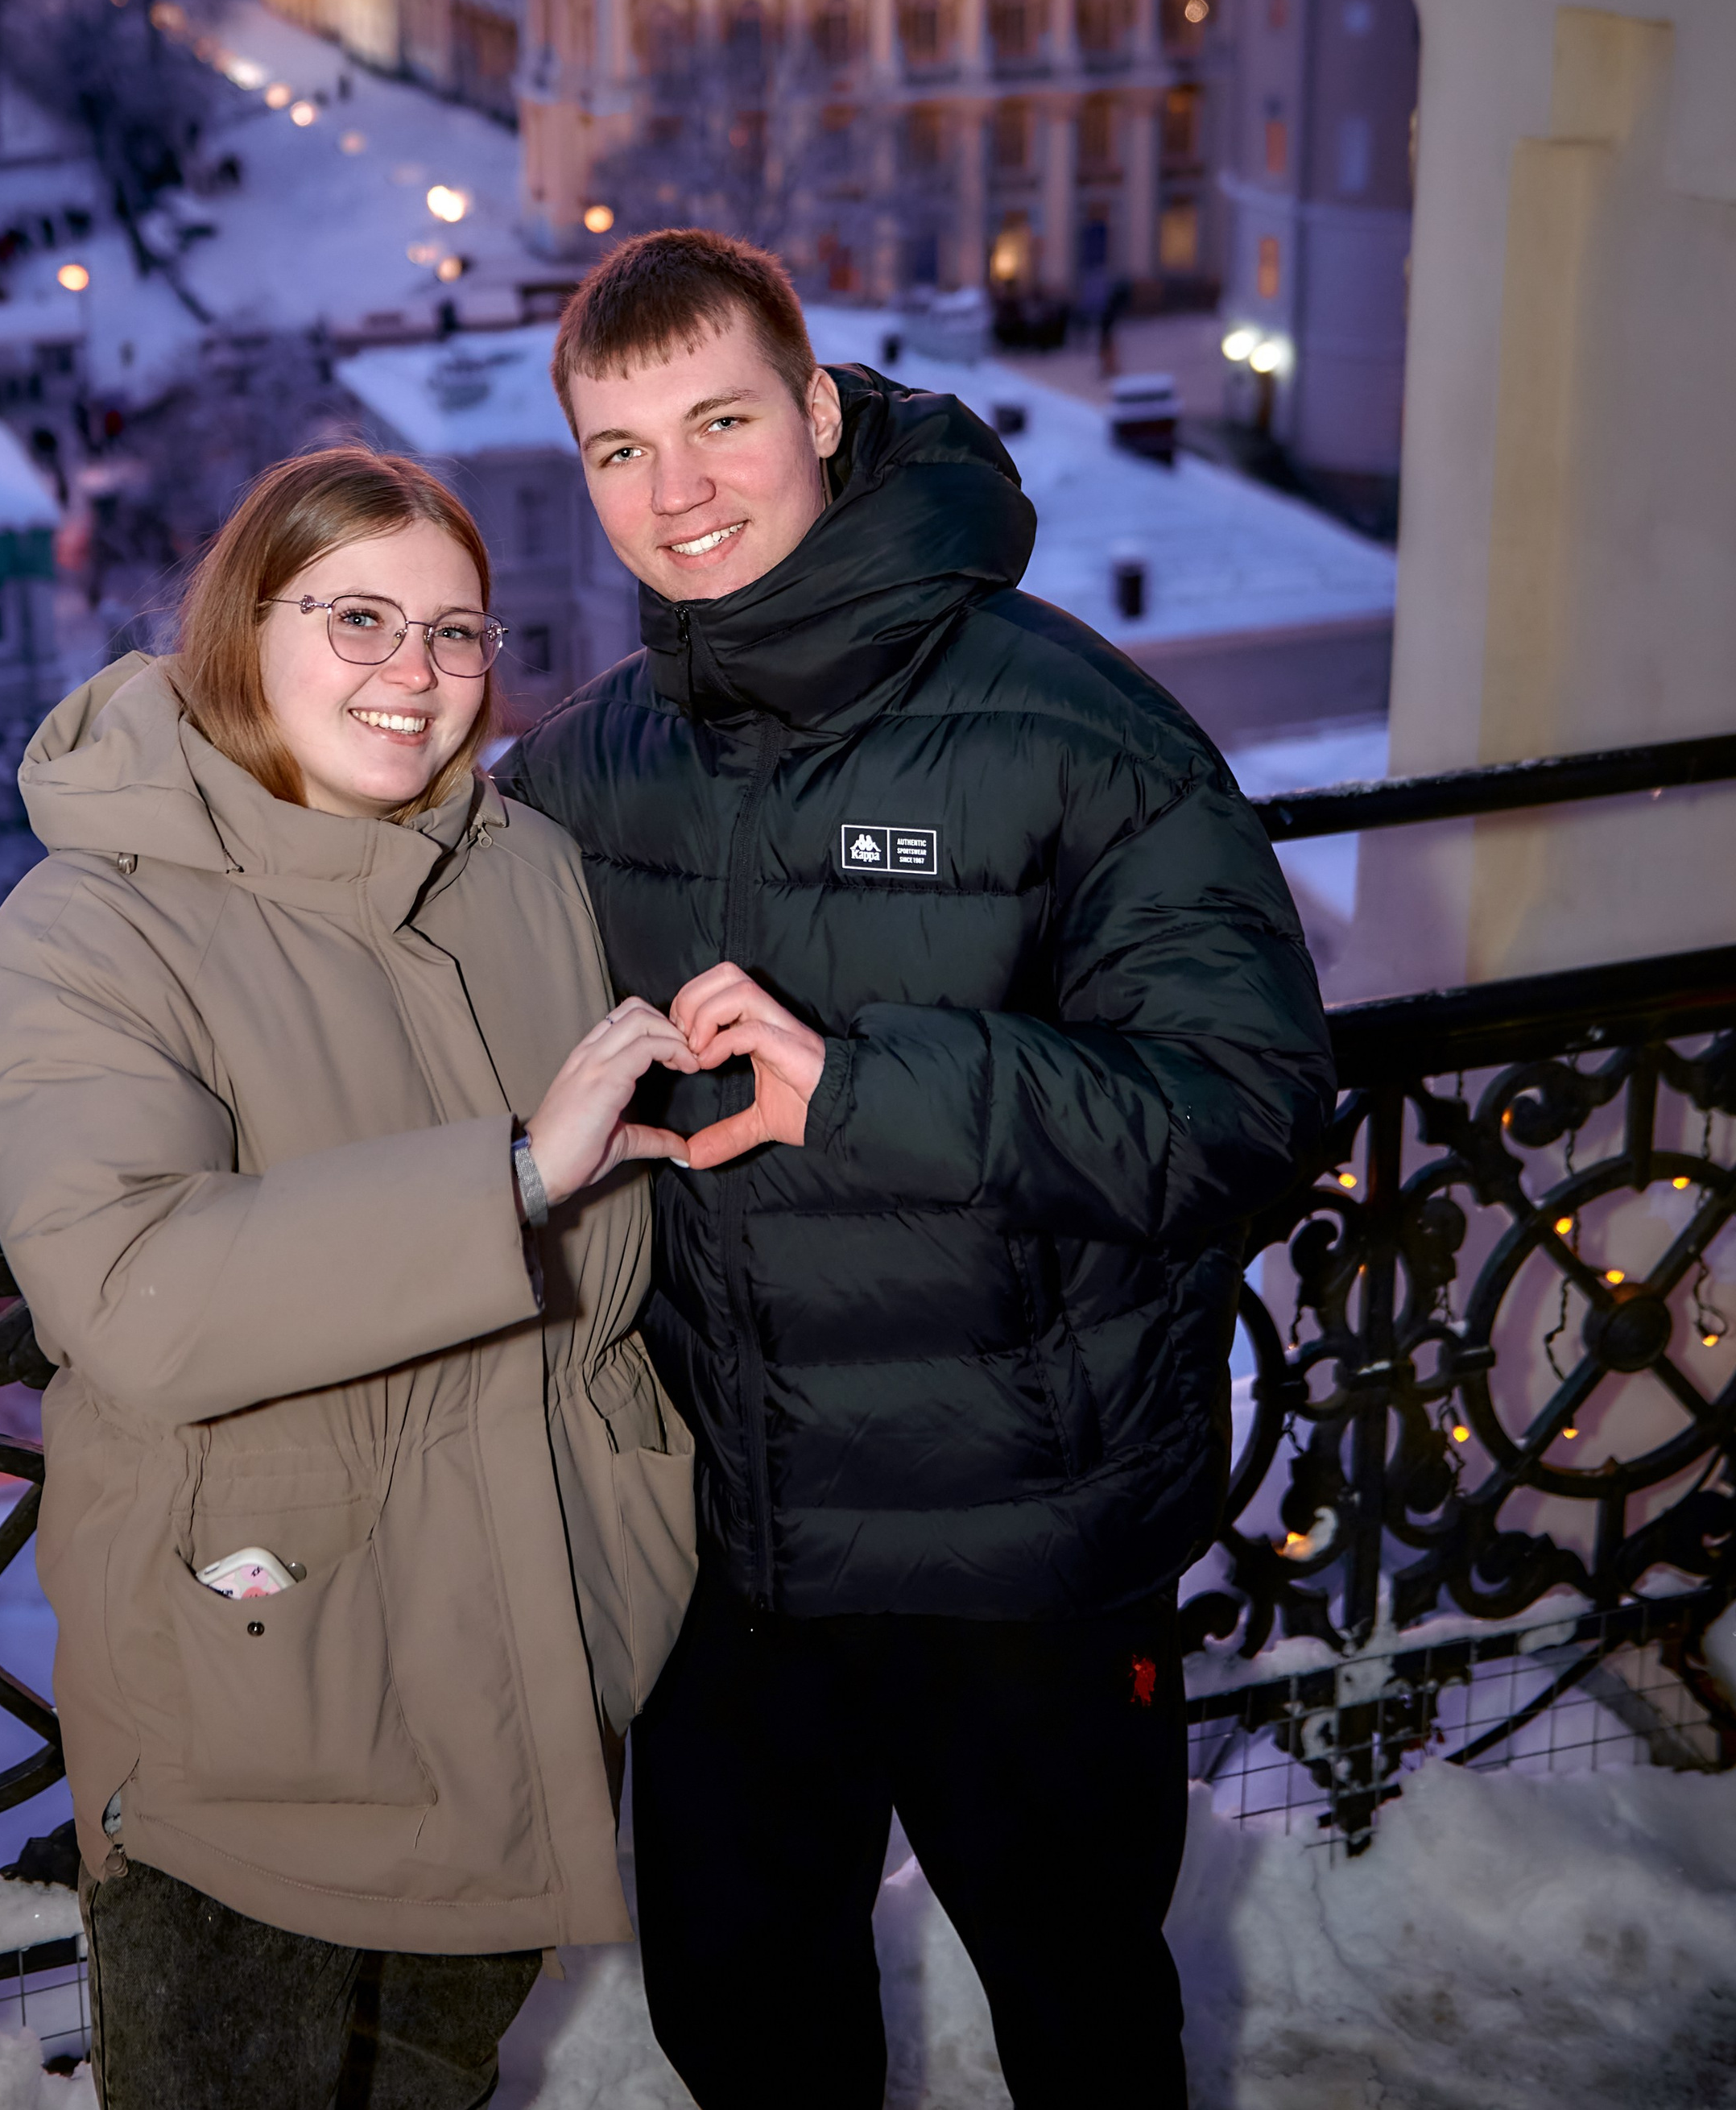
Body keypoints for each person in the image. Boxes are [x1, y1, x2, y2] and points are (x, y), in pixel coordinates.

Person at [499, 230, 1335, 2110]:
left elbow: (1249, 1105)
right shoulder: (580, 772)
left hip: (1021, 1552)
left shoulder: (1069, 724)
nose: (676, 493)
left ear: (816, 410)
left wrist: (871, 1087)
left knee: (1079, 2014)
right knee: (747, 2032)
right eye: (620, 450)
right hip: (726, 1563)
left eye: (721, 423)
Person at [0, 449, 698, 2110]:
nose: (415, 674)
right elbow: (131, 1291)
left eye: (456, 632)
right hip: (264, 1696)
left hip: (521, 1657)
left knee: (440, 2082)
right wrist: (512, 1178)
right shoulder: (90, 929)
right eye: (357, 618)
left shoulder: (522, 869)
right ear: (243, 625)